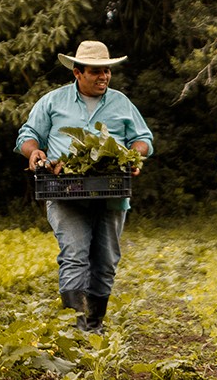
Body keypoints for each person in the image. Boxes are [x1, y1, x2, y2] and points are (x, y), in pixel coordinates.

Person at [15, 40, 153, 333]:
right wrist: (34, 152)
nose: (103, 77)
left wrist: (135, 154)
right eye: (96, 72)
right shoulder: (53, 102)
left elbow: (143, 139)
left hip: (111, 193)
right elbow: (27, 135)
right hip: (64, 191)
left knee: (105, 261)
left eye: (107, 72)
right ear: (77, 73)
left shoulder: (121, 103)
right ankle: (77, 329)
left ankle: (95, 323)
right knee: (74, 256)